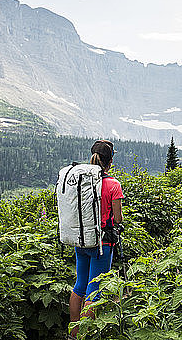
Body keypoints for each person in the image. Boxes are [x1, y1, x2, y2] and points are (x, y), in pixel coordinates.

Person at [68, 140, 124, 339]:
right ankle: (86, 334)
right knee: (94, 289)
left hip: (80, 239)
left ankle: (73, 334)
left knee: (80, 284)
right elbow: (117, 219)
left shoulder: (81, 181)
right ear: (110, 162)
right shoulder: (113, 185)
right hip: (102, 243)